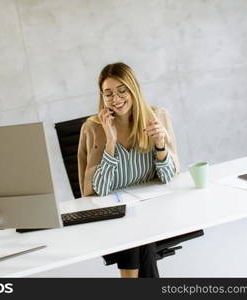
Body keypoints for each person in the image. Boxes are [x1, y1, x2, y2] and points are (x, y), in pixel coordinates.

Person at [77, 62, 180, 278]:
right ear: (102, 97)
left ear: (133, 89)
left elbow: (168, 177)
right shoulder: (93, 128)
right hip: (113, 217)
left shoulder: (157, 117)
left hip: (152, 209)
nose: (116, 99)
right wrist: (111, 142)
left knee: (139, 229)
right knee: (134, 229)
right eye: (108, 94)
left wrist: (160, 145)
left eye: (122, 90)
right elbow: (100, 190)